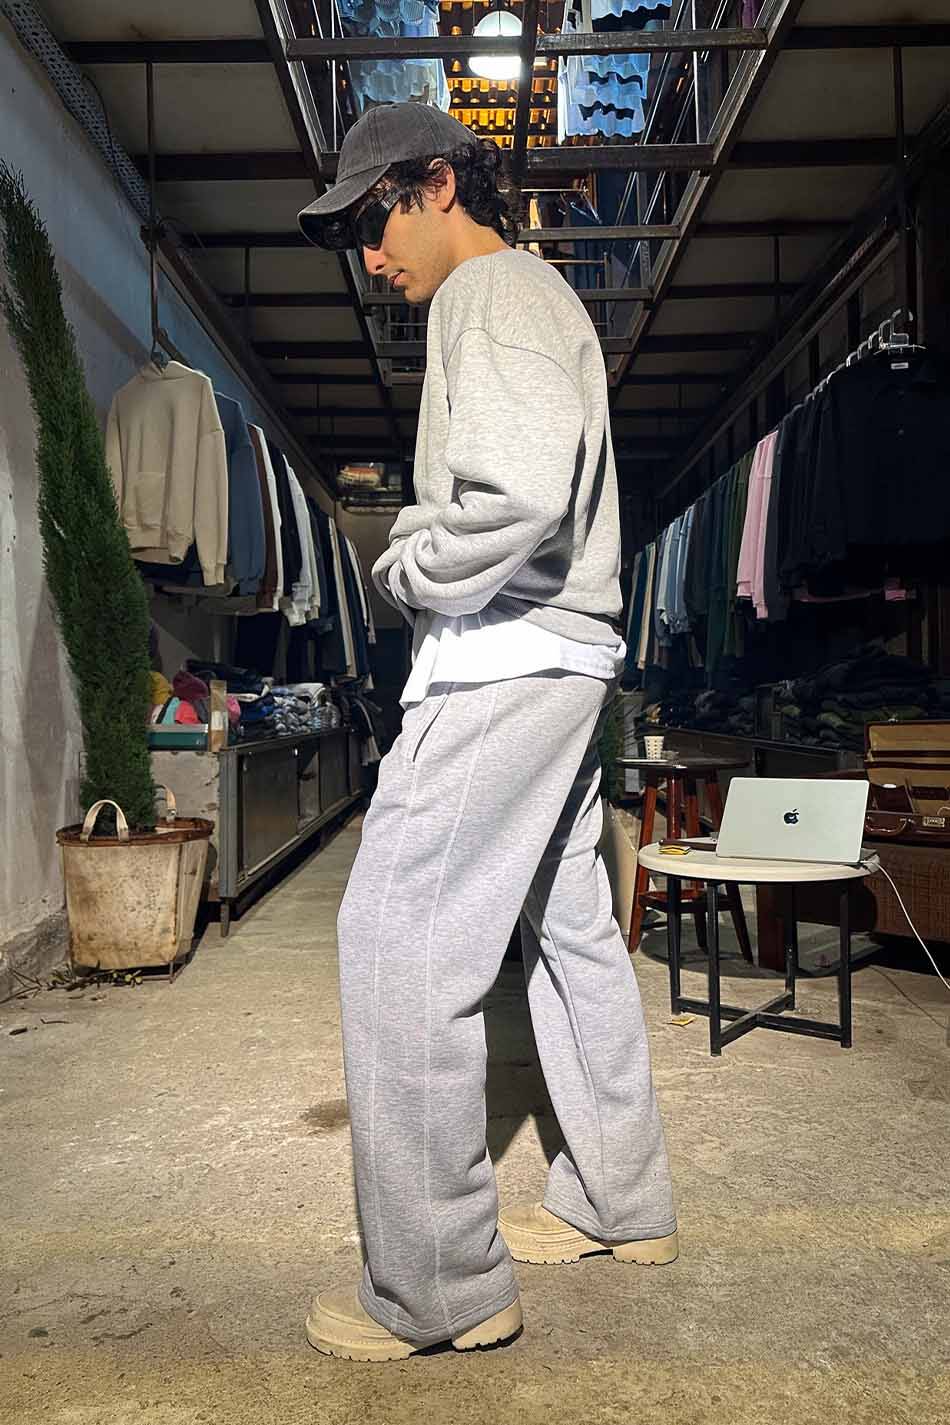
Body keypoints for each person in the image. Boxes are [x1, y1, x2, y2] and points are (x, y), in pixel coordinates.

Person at [297, 102, 677, 1363]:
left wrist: (405, 564)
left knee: (395, 939)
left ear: (437, 183)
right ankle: (621, 1202)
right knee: (568, 932)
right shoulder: (530, 298)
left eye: (372, 221)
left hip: (503, 660)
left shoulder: (490, 292)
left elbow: (511, 497)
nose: (369, 257)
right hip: (562, 660)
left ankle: (439, 1287)